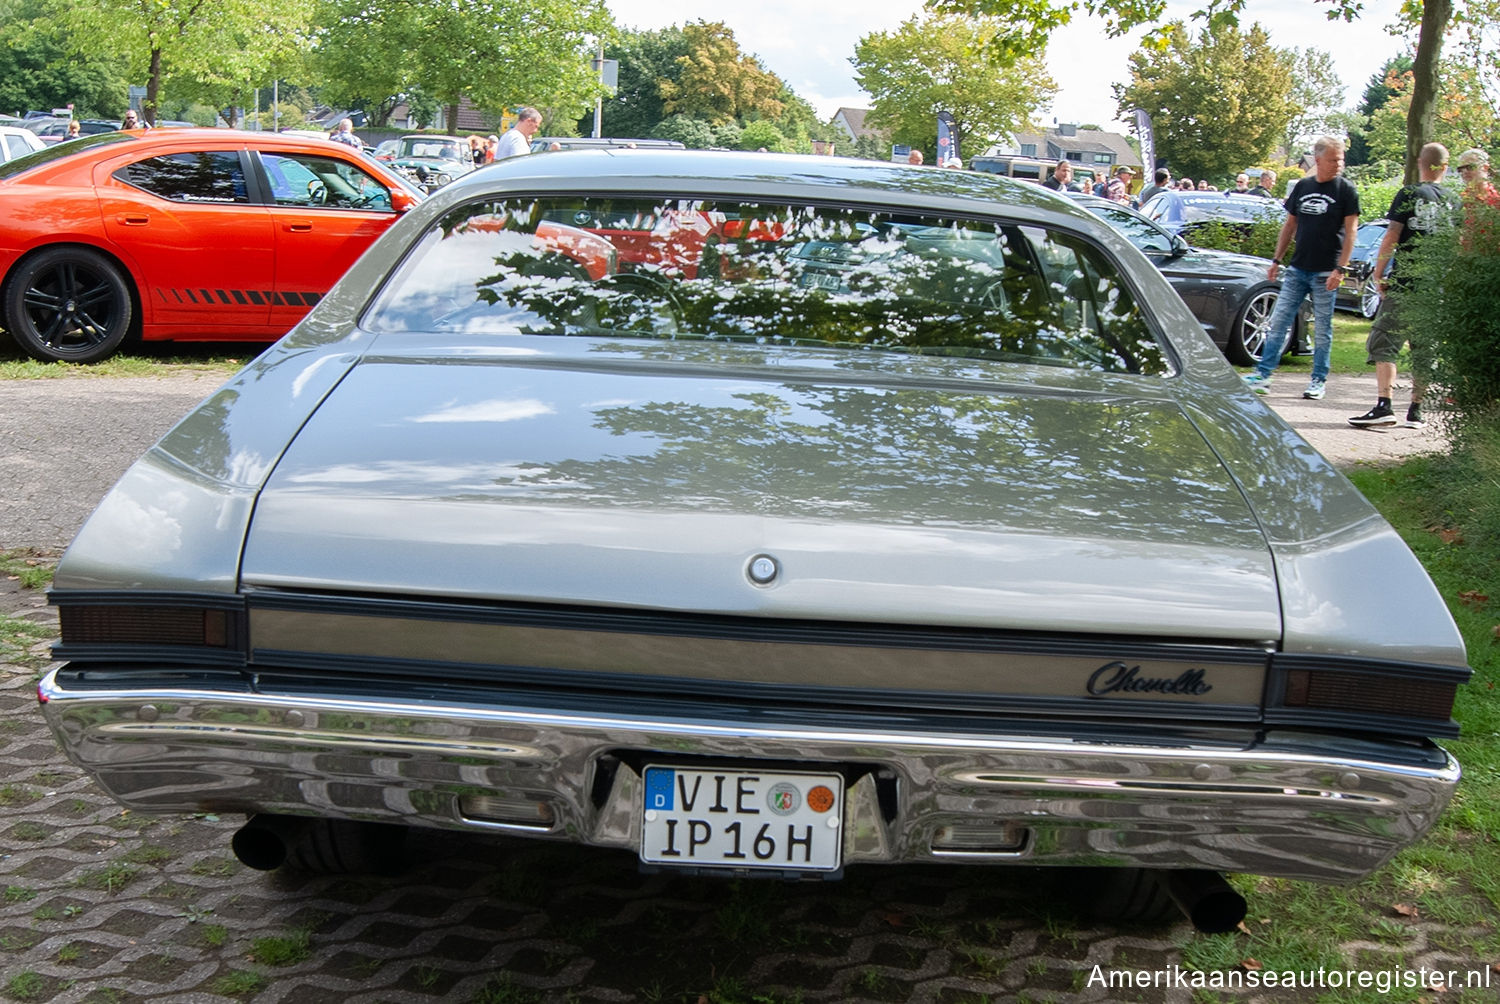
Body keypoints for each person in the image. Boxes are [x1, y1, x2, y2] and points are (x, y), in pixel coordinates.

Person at [1242, 135, 1360, 400]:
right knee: (1279, 321)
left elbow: (1352, 232)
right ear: (1318, 160)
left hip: (1326, 271)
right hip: (1297, 269)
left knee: (1323, 329)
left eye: (1341, 160)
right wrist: (1276, 259)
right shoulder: (1303, 186)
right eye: (1333, 159)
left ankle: (1318, 380)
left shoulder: (1346, 190)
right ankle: (1263, 375)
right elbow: (1290, 225)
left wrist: (1341, 269)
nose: (1338, 164)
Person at [1349, 143, 1456, 429]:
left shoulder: (1409, 194)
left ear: (1420, 162)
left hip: (1407, 283)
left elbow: (1391, 236)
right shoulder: (1455, 202)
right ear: (1445, 166)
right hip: (1436, 289)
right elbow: (1458, 246)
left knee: (1385, 342)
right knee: (1424, 349)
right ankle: (1416, 410)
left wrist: (1380, 273)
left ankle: (1384, 405)